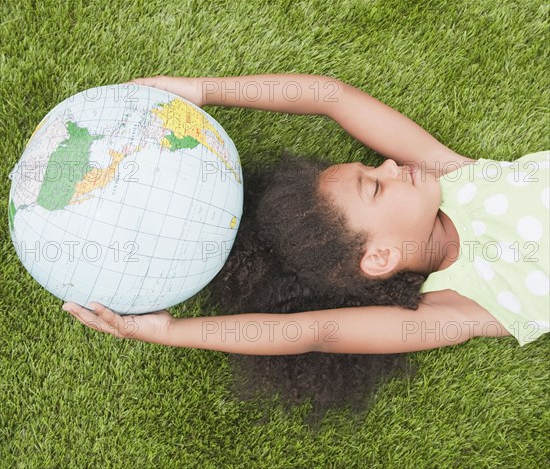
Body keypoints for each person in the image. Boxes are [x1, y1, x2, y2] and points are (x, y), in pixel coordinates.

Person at [62, 74, 549, 421]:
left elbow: (331, 96)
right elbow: (311, 331)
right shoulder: (460, 305)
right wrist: (169, 331)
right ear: (379, 257)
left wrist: (202, 90)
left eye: (373, 172)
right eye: (375, 186)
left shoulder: (453, 175)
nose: (388, 164)